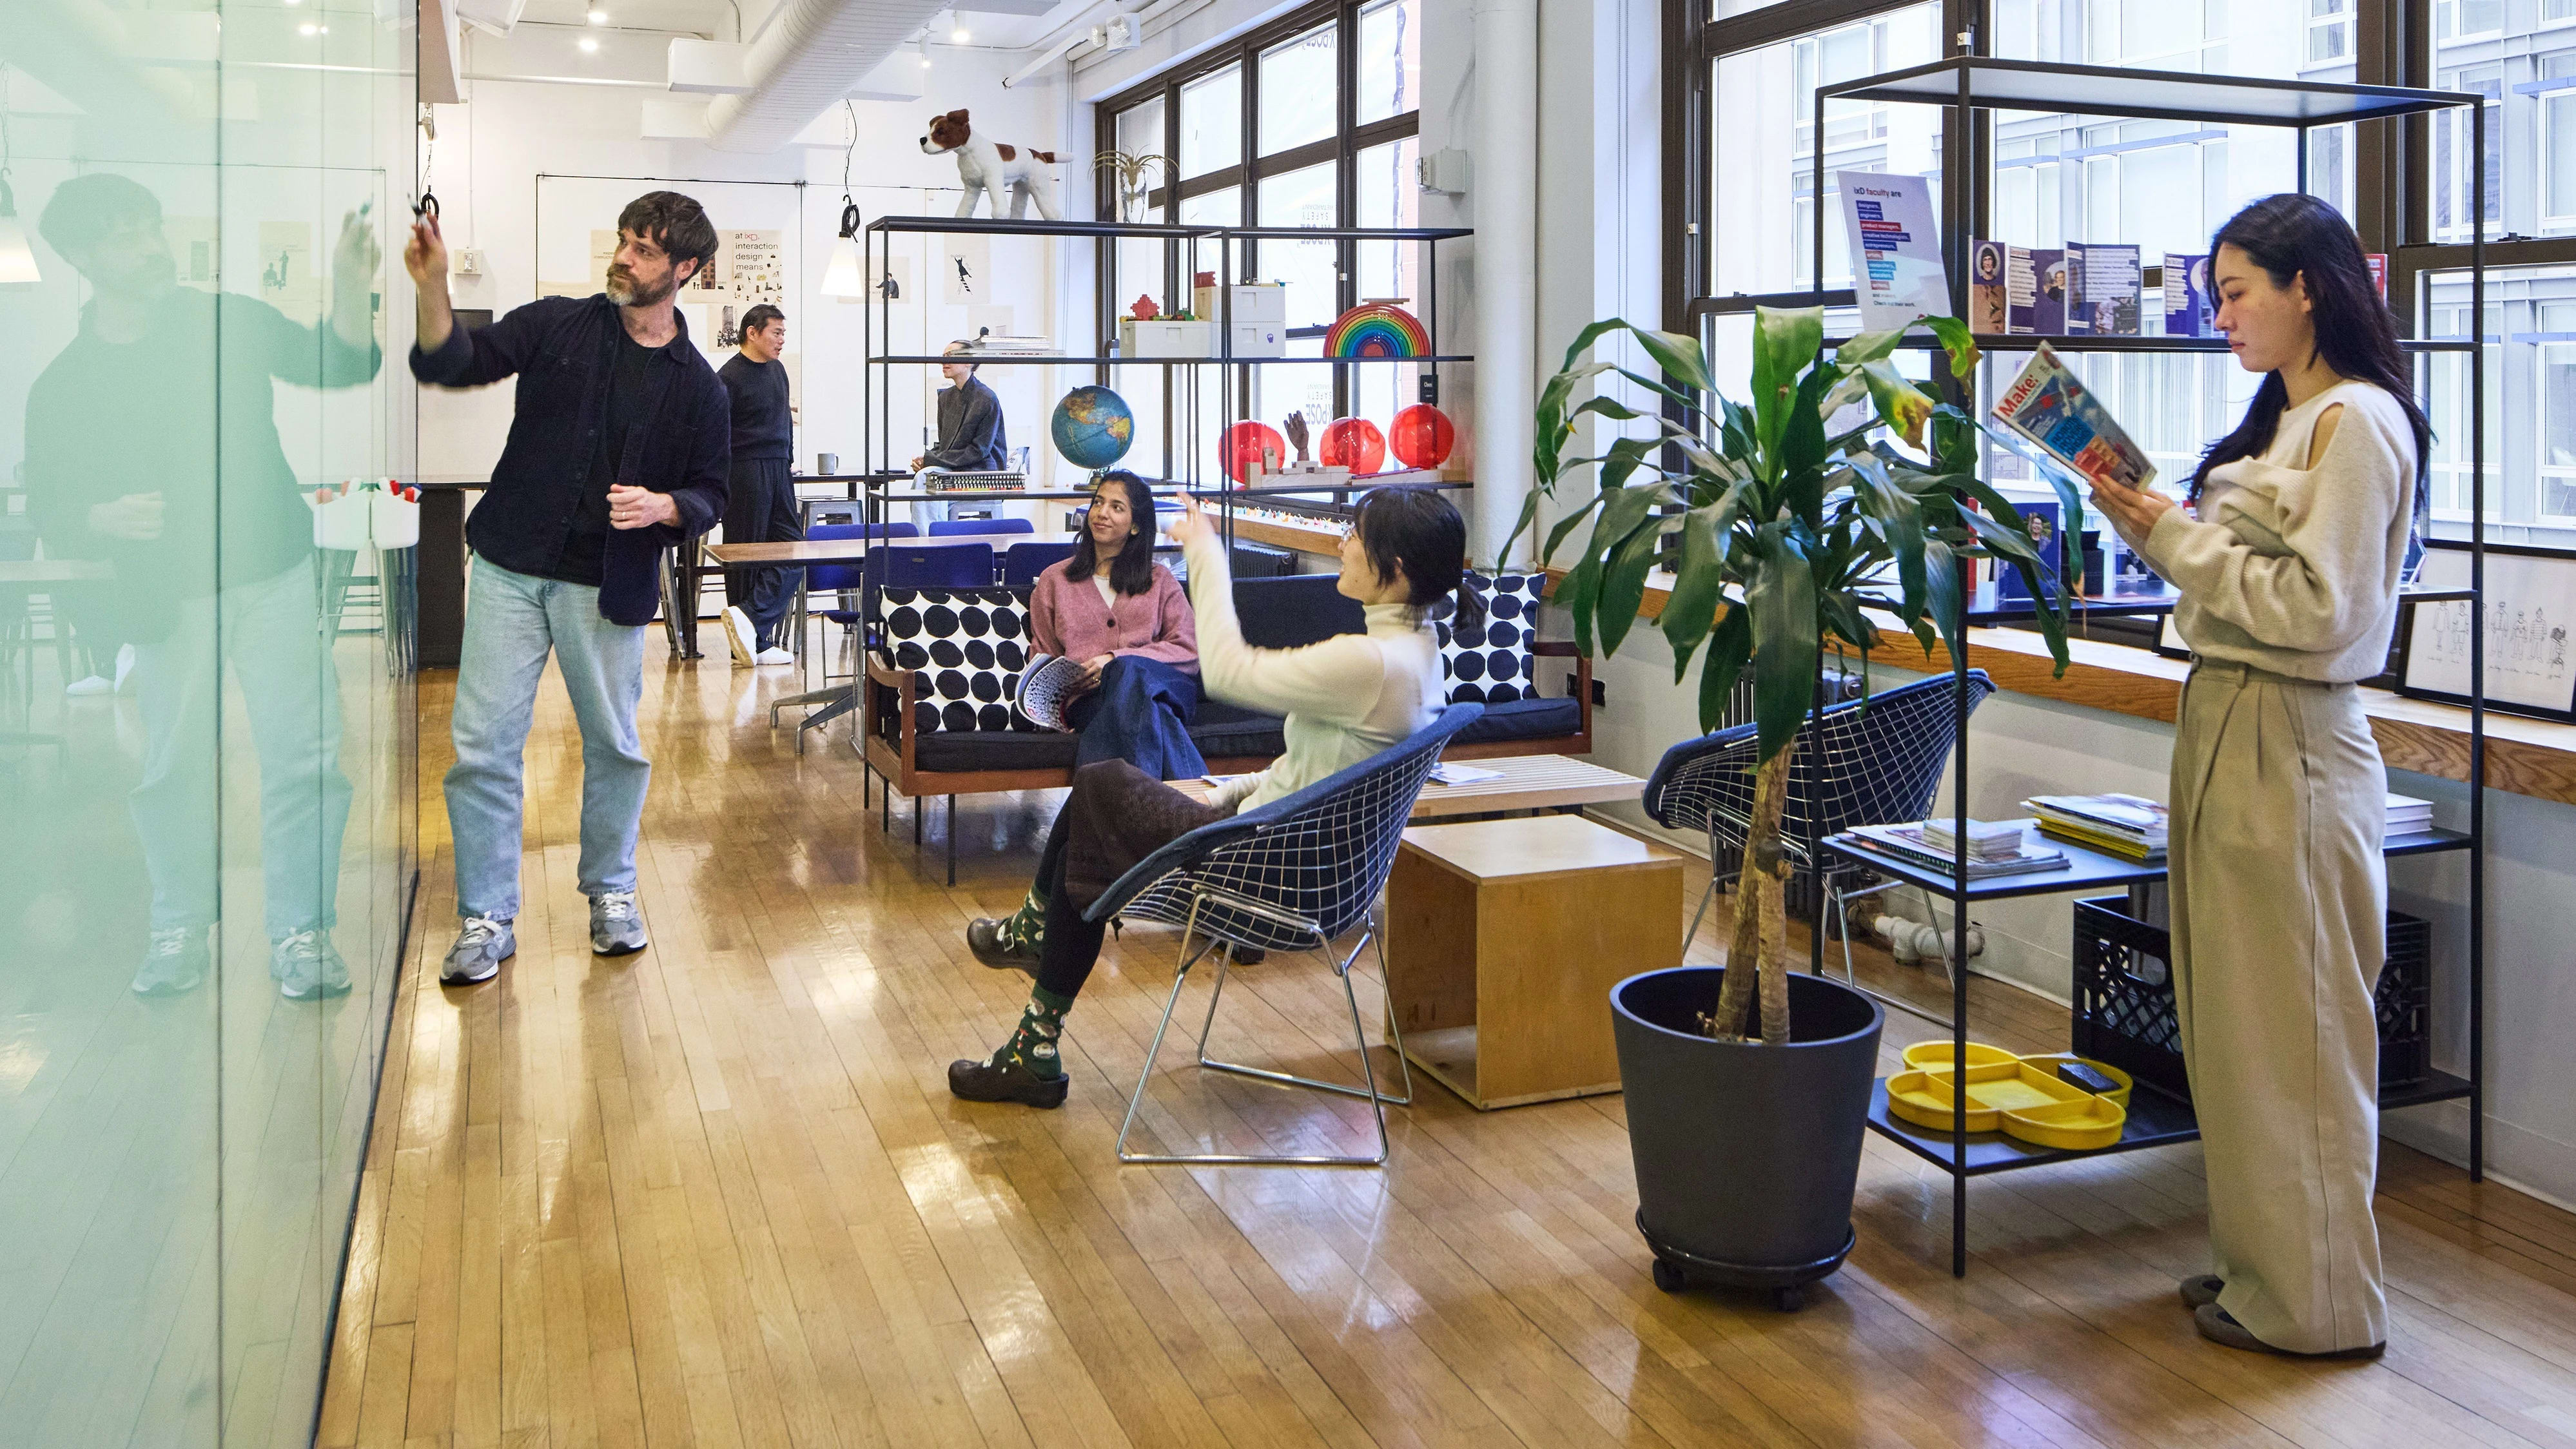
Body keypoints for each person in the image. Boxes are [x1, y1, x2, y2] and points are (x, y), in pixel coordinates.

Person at [2090, 193, 2430, 1361]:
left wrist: (2171, 536)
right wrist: (2151, 526)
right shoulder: (2284, 423)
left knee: (2299, 1027)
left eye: (2237, 290)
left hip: (2292, 732)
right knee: (2236, 1024)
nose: (2219, 312)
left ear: (2309, 289)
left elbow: (2323, 613)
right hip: (2228, 721)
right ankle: (2262, 1268)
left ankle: (2321, 1302)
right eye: (2217, 290)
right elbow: (2239, 577)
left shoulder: (2360, 424)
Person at [951, 486, 1476, 1109]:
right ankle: (1032, 1032)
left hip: (1270, 871)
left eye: (1356, 536)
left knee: (1101, 785)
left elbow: (1225, 672)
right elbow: (1316, 771)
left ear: (1396, 570)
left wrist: (1205, 550)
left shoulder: (1369, 664)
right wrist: (1227, 794)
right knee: (1094, 817)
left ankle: (1034, 987)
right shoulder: (1417, 654)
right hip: (1305, 858)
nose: (1342, 543)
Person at [23, 173, 380, 1000]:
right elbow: (49, 498)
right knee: (173, 765)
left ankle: (302, 931)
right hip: (167, 593)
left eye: (150, 225)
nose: (148, 245)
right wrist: (99, 515)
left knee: (306, 760)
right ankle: (178, 922)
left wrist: (354, 285)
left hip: (275, 572)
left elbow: (338, 363)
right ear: (82, 257)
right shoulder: (68, 382)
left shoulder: (225, 319)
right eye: (123, 235)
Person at [406, 191, 732, 986]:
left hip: (604, 583)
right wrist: (432, 288)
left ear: (684, 269)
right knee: (483, 748)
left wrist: (666, 506)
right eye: (624, 241)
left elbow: (712, 493)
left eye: (646, 250)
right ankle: (486, 913)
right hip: (509, 567)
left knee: (615, 747)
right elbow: (455, 363)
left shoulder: (700, 386)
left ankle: (612, 892)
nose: (624, 257)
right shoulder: (554, 324)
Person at [1027, 471, 1203, 775]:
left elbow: (1188, 650)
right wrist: (1058, 701)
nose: (1101, 513)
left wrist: (1115, 661)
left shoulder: (1160, 581)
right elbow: (1042, 658)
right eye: (1098, 503)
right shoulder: (1054, 580)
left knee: (1127, 672)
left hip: (1166, 689)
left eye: (1116, 507)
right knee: (1150, 713)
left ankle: (1104, 809)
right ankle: (1197, 806)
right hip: (1092, 701)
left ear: (1135, 525)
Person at [718, 303, 802, 667]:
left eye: (784, 333)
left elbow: (783, 420)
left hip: (779, 468)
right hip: (744, 470)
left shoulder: (778, 370)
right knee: (746, 554)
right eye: (777, 333)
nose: (782, 340)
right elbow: (714, 434)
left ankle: (751, 620)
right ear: (752, 332)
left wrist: (788, 461)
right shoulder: (728, 377)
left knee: (794, 550)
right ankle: (754, 643)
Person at [908, 340, 1008, 530]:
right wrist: (927, 459)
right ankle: (935, 536)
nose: (943, 361)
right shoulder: (946, 398)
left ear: (968, 363)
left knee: (927, 478)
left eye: (950, 357)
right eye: (943, 357)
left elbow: (979, 451)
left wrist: (932, 460)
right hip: (956, 469)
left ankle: (928, 540)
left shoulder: (987, 398)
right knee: (927, 476)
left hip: (982, 472)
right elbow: (945, 444)